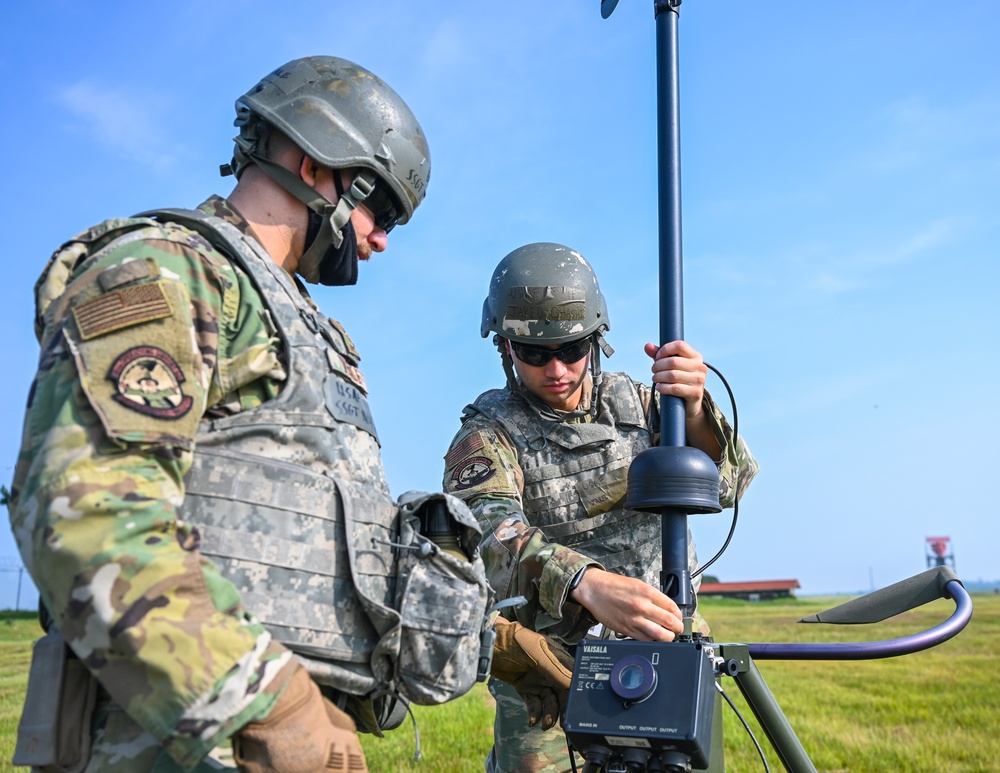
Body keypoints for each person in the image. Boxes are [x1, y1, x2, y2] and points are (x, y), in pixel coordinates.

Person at [6, 56, 558, 773]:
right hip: (179, 736)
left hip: (288, 731)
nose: (382, 238)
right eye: (380, 207)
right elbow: (86, 517)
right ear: (313, 160)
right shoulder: (169, 272)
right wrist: (273, 703)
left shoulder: (306, 328)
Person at [442, 242, 760, 773]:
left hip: (663, 648)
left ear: (598, 341)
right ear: (504, 347)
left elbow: (728, 486)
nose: (557, 369)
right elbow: (488, 535)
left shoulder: (646, 406)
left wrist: (697, 410)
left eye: (572, 349)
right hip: (550, 672)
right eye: (534, 354)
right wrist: (585, 583)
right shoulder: (487, 434)